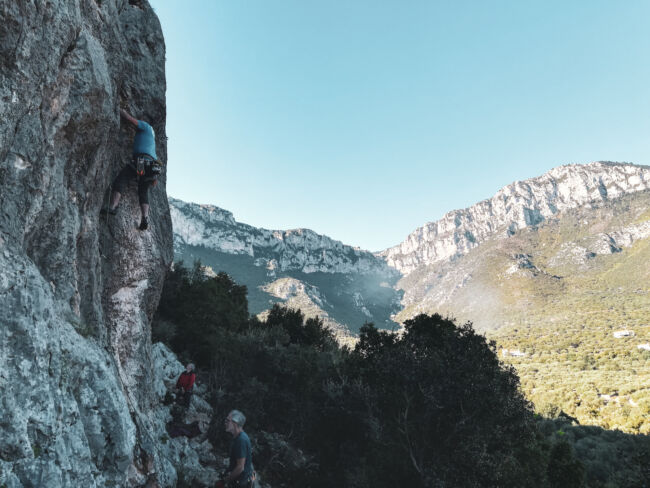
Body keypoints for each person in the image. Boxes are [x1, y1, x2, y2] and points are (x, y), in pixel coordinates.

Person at [102, 107, 161, 230]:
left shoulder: (145, 126)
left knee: (122, 179)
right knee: (143, 191)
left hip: (141, 161)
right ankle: (145, 218)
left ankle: (112, 207)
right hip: (152, 166)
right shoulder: (151, 134)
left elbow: (129, 119)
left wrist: (120, 110)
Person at [216, 410, 256, 488]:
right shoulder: (238, 437)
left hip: (241, 483)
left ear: (235, 423)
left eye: (227, 420)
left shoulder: (241, 440)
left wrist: (224, 481)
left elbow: (240, 467)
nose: (225, 423)